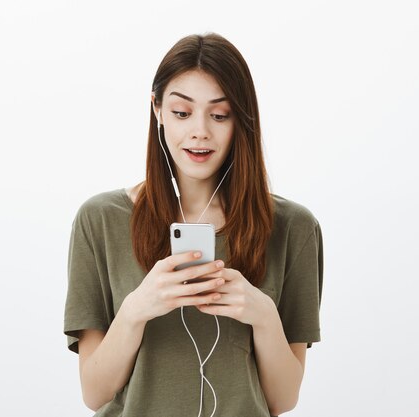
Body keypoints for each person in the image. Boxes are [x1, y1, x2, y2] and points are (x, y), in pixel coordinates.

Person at [64, 32, 323, 417]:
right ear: (157, 110)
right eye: (182, 113)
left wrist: (263, 315)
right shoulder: (99, 220)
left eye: (219, 115)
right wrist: (138, 308)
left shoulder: (293, 228)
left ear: (241, 119)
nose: (200, 131)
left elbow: (282, 400)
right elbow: (94, 393)